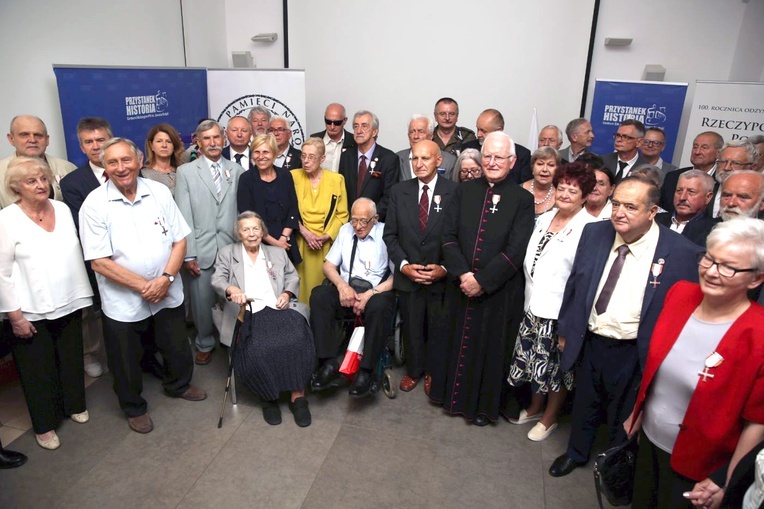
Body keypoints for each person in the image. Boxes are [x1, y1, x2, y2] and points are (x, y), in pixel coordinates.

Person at [548, 176, 703, 477]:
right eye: (616, 204)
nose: (619, 212)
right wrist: (566, 330)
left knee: (625, 411)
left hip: (636, 347)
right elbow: (575, 285)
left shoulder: (681, 252)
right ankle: (576, 453)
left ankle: (613, 464)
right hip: (591, 338)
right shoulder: (594, 233)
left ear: (652, 211)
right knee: (584, 402)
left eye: (631, 207)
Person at [624, 217, 764, 508]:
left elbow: (757, 422)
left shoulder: (759, 334)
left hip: (702, 467)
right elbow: (658, 367)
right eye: (709, 259)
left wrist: (726, 478)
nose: (712, 272)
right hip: (649, 440)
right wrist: (637, 412)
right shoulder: (680, 295)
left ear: (756, 278)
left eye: (728, 267)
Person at [79, 137, 206, 434]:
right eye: (113, 162)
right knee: (125, 358)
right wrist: (145, 286)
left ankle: (178, 385)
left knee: (176, 345)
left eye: (126, 160)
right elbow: (99, 261)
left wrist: (165, 279)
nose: (121, 168)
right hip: (124, 298)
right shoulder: (95, 205)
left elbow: (179, 240)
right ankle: (133, 406)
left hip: (167, 288)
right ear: (104, 166)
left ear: (138, 159)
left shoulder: (159, 191)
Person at [431, 131, 534, 426]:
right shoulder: (463, 191)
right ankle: (449, 397)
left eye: (499, 157)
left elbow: (516, 251)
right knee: (454, 341)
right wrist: (464, 274)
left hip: (496, 292)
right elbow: (447, 237)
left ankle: (482, 408)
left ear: (512, 161)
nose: (491, 162)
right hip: (460, 286)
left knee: (489, 349)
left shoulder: (523, 200)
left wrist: (483, 281)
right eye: (487, 155)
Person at [0, 157, 93, 450]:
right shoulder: (6, 220)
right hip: (29, 309)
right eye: (32, 181)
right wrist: (15, 317)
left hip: (69, 299)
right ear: (16, 188)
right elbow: (0, 273)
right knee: (37, 370)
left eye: (44, 179)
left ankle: (74, 405)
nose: (41, 185)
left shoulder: (63, 210)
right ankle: (44, 425)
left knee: (70, 358)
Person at [508, 162, 597, 441]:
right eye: (562, 188)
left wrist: (568, 327)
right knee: (535, 363)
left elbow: (584, 281)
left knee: (557, 371)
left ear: (585, 196)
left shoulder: (590, 228)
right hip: (532, 305)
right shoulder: (545, 217)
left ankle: (550, 418)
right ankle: (535, 407)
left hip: (559, 314)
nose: (566, 194)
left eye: (574, 190)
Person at [212, 211, 314, 427]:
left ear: (263, 231)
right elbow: (217, 279)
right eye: (246, 229)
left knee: (298, 337)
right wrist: (231, 289)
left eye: (256, 229)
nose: (251, 234)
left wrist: (286, 294)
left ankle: (298, 396)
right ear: (238, 233)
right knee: (258, 346)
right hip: (247, 311)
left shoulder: (276, 252)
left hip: (278, 306)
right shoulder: (227, 254)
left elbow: (292, 276)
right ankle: (269, 397)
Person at [383, 140, 458, 393]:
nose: (419, 164)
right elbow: (390, 236)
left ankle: (433, 372)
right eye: (414, 158)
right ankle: (414, 371)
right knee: (412, 327)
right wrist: (404, 266)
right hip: (408, 276)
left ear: (439, 161)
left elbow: (459, 236)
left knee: (437, 327)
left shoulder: (454, 192)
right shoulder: (398, 191)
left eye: (425, 158)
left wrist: (445, 268)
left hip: (440, 277)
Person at [309, 198, 396, 398]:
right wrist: (342, 286)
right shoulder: (345, 231)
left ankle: (366, 372)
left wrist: (371, 294)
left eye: (363, 221)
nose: (357, 226)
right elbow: (328, 266)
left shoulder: (387, 233)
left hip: (375, 293)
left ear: (375, 219)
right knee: (319, 295)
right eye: (353, 220)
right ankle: (327, 363)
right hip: (348, 291)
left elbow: (398, 275)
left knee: (381, 306)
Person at [175, 120, 243, 365]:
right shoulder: (186, 172)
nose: (213, 143)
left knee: (232, 299)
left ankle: (232, 340)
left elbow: (241, 212)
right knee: (202, 302)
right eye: (207, 139)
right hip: (200, 249)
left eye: (216, 138)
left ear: (223, 140)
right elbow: (184, 216)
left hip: (230, 247)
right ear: (198, 142)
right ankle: (205, 342)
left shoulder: (236, 171)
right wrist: (189, 254)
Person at [60, 117, 113, 379]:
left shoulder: (128, 170)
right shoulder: (72, 183)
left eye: (100, 140)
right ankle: (96, 355)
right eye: (88, 142)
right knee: (99, 311)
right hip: (100, 258)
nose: (95, 146)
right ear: (81, 147)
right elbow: (86, 226)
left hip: (138, 257)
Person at [291, 137, 349, 304]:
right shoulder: (292, 177)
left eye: (311, 157)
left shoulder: (336, 180)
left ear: (322, 159)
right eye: (303, 156)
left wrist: (326, 236)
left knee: (321, 295)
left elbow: (342, 214)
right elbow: (287, 211)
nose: (306, 161)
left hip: (325, 247)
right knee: (300, 292)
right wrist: (305, 232)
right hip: (300, 243)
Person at [237, 133, 301, 265]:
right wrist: (275, 243)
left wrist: (283, 238)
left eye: (265, 152)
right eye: (256, 152)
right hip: (258, 243)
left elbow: (293, 210)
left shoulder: (285, 175)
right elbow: (248, 217)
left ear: (275, 153)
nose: (260, 157)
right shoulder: (246, 179)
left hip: (286, 242)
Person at [0, 115, 75, 208]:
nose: (32, 140)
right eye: (24, 135)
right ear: (11, 139)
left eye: (38, 135)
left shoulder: (68, 169)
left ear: (47, 140)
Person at [338, 110, 400, 221]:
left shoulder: (389, 158)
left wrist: (369, 220)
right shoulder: (346, 156)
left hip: (376, 223)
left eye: (364, 126)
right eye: (356, 126)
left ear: (375, 132)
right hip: (350, 222)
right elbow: (342, 192)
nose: (359, 131)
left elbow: (389, 197)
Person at [684, 170, 764, 247]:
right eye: (727, 195)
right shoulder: (695, 230)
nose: (731, 203)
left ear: (761, 203)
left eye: (742, 197)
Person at [462, 108, 533, 184]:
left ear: (499, 130)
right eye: (478, 129)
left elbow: (525, 186)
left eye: (483, 131)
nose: (478, 134)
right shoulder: (468, 149)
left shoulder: (522, 154)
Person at [660, 131, 723, 214]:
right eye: (695, 147)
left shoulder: (722, 180)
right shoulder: (673, 177)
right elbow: (662, 210)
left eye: (704, 148)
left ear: (718, 153)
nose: (697, 152)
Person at [396, 115, 456, 180]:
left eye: (421, 132)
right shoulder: (397, 158)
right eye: (412, 132)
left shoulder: (449, 161)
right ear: (408, 135)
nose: (416, 136)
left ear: (430, 136)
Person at [654, 169, 714, 234]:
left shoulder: (712, 231)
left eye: (691, 192)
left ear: (708, 197)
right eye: (679, 190)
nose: (682, 197)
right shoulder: (655, 220)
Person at [310, 103, 356, 173]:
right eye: (328, 122)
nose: (332, 127)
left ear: (345, 120)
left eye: (337, 123)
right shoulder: (314, 140)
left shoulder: (354, 142)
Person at [142, 123, 184, 195]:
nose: (164, 145)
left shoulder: (183, 171)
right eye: (159, 141)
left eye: (168, 141)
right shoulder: (143, 175)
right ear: (151, 145)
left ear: (174, 145)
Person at [521, 147, 560, 218]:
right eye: (540, 164)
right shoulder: (519, 191)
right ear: (532, 167)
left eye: (550, 165)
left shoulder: (560, 196)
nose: (545, 169)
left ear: (557, 169)